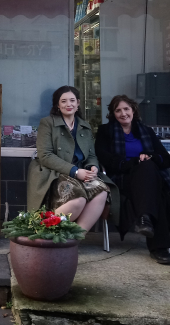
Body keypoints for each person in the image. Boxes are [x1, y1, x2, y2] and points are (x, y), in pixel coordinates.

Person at [95, 95, 170, 265]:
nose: (123, 113)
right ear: (113, 114)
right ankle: (160, 248)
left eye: (126, 109)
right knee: (156, 189)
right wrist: (134, 162)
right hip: (122, 179)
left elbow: (167, 159)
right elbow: (106, 160)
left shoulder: (146, 131)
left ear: (133, 110)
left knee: (149, 171)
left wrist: (150, 157)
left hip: (148, 179)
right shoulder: (106, 132)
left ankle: (145, 219)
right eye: (118, 110)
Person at [27, 86, 119, 232]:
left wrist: (93, 166)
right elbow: (45, 156)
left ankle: (75, 239)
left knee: (101, 191)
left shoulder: (84, 126)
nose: (68, 104)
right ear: (57, 105)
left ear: (78, 103)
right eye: (63, 101)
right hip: (54, 172)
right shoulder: (48, 123)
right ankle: (41, 232)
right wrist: (75, 171)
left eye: (72, 100)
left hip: (82, 171)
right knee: (78, 199)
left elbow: (91, 155)